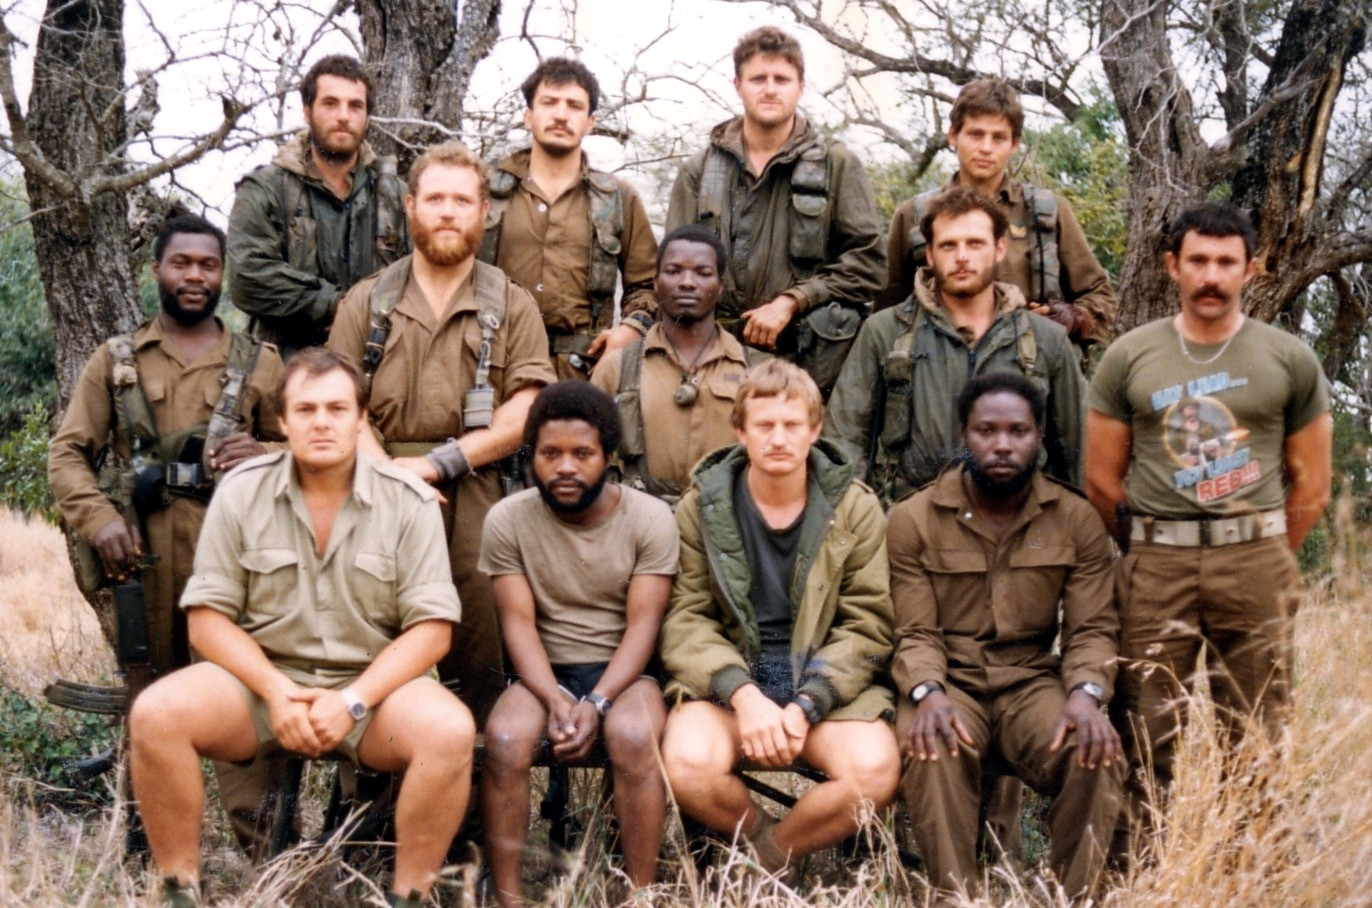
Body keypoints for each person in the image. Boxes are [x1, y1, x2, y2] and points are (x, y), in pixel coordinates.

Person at [128, 348, 474, 908]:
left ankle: (409, 897)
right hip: (260, 687)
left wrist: (353, 701)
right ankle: (179, 893)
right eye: (306, 410)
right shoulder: (242, 491)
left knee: (449, 730)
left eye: (337, 409)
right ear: (282, 422)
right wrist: (276, 692)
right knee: (156, 714)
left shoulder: (408, 501)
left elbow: (432, 632)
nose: (322, 423)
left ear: (361, 419)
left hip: (373, 694)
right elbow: (207, 620)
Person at [1086, 202, 1332, 839]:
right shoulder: (1129, 356)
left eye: (1226, 262)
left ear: (1252, 269)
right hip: (1155, 562)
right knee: (1143, 726)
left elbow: (1312, 482)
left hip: (1254, 561)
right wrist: (1147, 547)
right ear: (1173, 266)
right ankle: (1137, 869)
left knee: (1256, 729)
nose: (1211, 275)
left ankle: (1249, 870)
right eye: (1198, 260)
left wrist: (1265, 549)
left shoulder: (1288, 358)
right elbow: (1101, 480)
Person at [48, 214, 287, 853]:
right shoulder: (116, 360)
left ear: (223, 274)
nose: (195, 276)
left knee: (240, 697)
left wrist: (265, 452)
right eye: (181, 263)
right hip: (143, 561)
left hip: (234, 563)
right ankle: (153, 852)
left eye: (208, 265)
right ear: (156, 269)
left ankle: (263, 859)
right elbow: (68, 452)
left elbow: (311, 451)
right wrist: (99, 520)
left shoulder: (259, 363)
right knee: (149, 698)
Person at [328, 140, 557, 725]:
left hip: (480, 493)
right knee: (372, 645)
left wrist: (436, 466)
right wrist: (389, 475)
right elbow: (338, 404)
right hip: (376, 489)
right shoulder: (367, 302)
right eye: (434, 199)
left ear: (485, 211)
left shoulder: (511, 304)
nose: (448, 212)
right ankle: (371, 778)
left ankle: (477, 777)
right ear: (410, 207)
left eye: (462, 200)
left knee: (480, 649)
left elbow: (527, 407)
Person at [659, 359, 900, 879]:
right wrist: (744, 696)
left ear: (815, 430)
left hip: (824, 685)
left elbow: (868, 624)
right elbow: (686, 619)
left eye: (792, 425)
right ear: (740, 431)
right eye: (764, 425)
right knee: (686, 764)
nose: (778, 438)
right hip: (733, 684)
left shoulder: (855, 507)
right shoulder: (702, 506)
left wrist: (809, 702)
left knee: (875, 771)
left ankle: (764, 861)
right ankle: (765, 842)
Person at [889, 373, 1123, 899]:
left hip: (1031, 682)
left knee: (1092, 749)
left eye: (1018, 431)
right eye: (986, 431)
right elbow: (915, 631)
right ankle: (956, 896)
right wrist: (929, 693)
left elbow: (1091, 629)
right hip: (951, 679)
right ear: (964, 435)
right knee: (932, 744)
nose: (1001, 445)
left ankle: (1074, 896)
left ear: (1039, 436)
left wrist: (1086, 695)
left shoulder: (1076, 518)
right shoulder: (914, 518)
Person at [479, 382, 678, 906]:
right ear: (532, 456)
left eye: (582, 454)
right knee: (504, 738)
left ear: (608, 457)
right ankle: (508, 897)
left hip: (628, 672)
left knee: (633, 734)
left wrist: (600, 701)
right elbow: (518, 624)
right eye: (550, 454)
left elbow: (643, 625)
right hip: (544, 671)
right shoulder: (507, 519)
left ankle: (639, 894)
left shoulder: (649, 518)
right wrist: (553, 698)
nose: (565, 467)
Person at [826, 184, 1085, 506]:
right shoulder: (885, 332)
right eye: (948, 245)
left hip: (1019, 520)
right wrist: (857, 518)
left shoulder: (1046, 339)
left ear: (999, 248)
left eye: (975, 243)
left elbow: (1079, 455)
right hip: (912, 518)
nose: (962, 256)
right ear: (930, 254)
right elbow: (844, 440)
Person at [665, 26, 883, 397]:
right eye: (758, 79)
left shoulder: (836, 164)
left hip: (806, 365)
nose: (769, 89)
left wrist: (794, 300)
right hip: (713, 358)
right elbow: (672, 270)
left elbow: (869, 263)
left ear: (801, 86)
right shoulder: (698, 171)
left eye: (781, 79)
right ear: (738, 85)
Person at [880, 78, 1116, 355]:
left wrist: (1072, 319)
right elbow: (887, 311)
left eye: (999, 137)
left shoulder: (1047, 212)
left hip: (1029, 364)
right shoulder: (915, 215)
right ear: (953, 135)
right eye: (975, 134)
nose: (986, 147)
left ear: (1014, 144)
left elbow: (1101, 296)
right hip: (937, 364)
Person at [481, 58, 659, 380]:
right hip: (494, 366)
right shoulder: (485, 192)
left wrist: (631, 328)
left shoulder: (618, 199)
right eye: (549, 102)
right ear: (528, 116)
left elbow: (648, 286)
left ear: (590, 122)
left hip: (583, 373)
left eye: (574, 106)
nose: (561, 115)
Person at [229, 55, 408, 358]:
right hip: (286, 367)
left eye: (355, 106)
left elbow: (420, 278)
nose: (343, 116)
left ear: (367, 116)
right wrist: (335, 306)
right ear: (307, 111)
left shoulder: (395, 196)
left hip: (376, 362)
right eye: (330, 103)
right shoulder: (266, 188)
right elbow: (247, 277)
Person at [591, 225, 754, 503]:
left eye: (703, 273)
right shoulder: (617, 367)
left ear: (720, 285)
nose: (687, 282)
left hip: (725, 517)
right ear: (656, 282)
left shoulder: (753, 369)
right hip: (638, 516)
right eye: (674, 271)